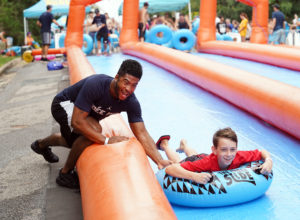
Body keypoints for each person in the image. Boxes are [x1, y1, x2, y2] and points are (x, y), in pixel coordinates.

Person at [30, 59, 172, 189]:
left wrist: (159, 161)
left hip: (85, 114)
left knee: (78, 139)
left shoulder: (131, 102)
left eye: (134, 85)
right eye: (126, 82)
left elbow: (141, 133)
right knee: (89, 134)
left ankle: (41, 145)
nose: (128, 89)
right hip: (64, 105)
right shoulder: (97, 85)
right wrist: (106, 140)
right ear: (116, 77)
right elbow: (77, 122)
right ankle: (65, 173)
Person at [157, 127, 273, 184]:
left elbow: (262, 152)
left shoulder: (238, 156)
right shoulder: (206, 163)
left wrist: (268, 161)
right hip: (199, 160)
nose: (229, 154)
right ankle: (165, 145)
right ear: (215, 150)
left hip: (204, 157)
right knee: (177, 161)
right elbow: (171, 169)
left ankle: (184, 145)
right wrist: (194, 176)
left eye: (232, 149)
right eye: (224, 150)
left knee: (195, 154)